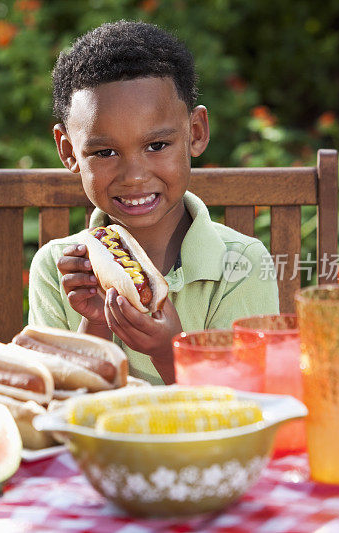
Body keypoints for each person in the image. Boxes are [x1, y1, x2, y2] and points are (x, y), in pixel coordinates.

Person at [27, 21, 279, 385]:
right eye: (105, 151)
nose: (134, 175)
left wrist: (168, 350)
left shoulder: (243, 264)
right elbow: (55, 405)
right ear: (69, 151)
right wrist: (96, 322)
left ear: (196, 132)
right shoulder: (57, 267)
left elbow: (245, 404)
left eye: (156, 146)